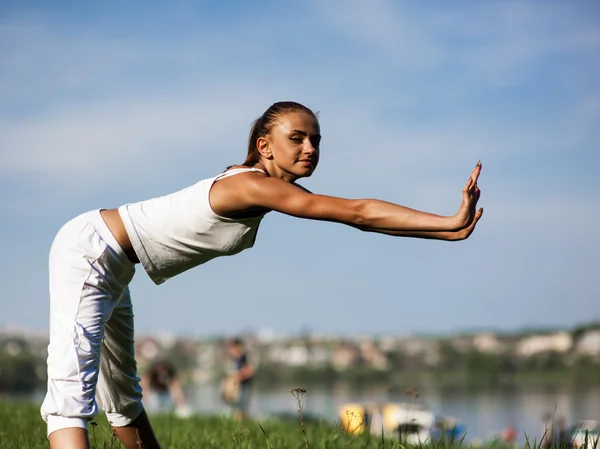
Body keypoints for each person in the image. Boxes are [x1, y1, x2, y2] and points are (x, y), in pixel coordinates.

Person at [40, 101, 484, 449]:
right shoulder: (251, 185)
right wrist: (447, 221)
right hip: (90, 251)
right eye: (297, 138)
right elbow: (358, 212)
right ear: (265, 146)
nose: (310, 148)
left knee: (122, 398)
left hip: (114, 264)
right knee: (69, 398)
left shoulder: (266, 188)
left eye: (316, 139)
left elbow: (362, 217)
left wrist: (448, 231)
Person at [223, 338, 254, 420]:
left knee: (241, 409)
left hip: (242, 387)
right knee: (235, 409)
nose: (230, 351)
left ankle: (241, 425)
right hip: (236, 389)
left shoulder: (244, 358)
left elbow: (249, 371)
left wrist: (237, 377)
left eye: (231, 348)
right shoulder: (234, 360)